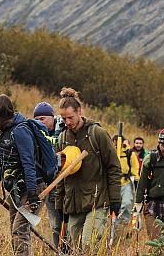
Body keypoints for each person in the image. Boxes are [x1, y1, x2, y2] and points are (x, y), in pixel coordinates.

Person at [0, 95, 48, 256]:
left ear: (1, 115)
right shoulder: (6, 132)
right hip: (16, 190)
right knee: (15, 231)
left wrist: (32, 194)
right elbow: (11, 166)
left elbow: (28, 163)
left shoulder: (20, 131)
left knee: (20, 231)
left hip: (33, 187)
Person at [53, 88, 121, 251]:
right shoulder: (63, 137)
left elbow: (113, 167)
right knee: (74, 248)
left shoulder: (97, 133)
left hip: (96, 201)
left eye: (70, 117)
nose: (68, 122)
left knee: (89, 245)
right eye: (64, 118)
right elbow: (61, 173)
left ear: (80, 111)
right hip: (73, 203)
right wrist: (59, 203)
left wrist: (115, 200)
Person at [32, 101, 65, 249]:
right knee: (55, 225)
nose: (40, 122)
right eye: (37, 120)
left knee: (69, 222)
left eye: (43, 119)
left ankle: (72, 249)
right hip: (50, 185)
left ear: (52, 117)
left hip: (67, 184)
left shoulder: (65, 129)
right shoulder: (36, 135)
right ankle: (59, 250)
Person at [113, 134, 141, 231]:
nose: (116, 145)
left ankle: (124, 225)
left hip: (126, 183)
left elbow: (135, 168)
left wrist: (137, 181)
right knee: (113, 206)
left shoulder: (129, 153)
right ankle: (114, 227)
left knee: (127, 203)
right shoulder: (110, 153)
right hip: (113, 184)